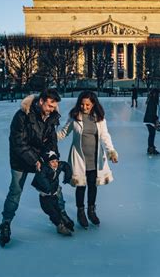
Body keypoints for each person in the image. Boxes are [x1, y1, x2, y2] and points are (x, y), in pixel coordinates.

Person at [0, 89, 74, 247]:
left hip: (41, 158)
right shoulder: (22, 115)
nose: (53, 109)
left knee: (54, 187)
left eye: (55, 106)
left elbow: (52, 140)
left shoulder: (52, 117)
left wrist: (53, 158)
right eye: (50, 105)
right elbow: (18, 142)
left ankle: (61, 214)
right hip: (20, 160)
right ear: (41, 101)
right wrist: (34, 160)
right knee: (15, 191)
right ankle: (5, 223)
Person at [57, 90, 118, 229]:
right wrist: (49, 137)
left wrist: (111, 151)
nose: (84, 107)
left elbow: (105, 136)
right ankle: (80, 212)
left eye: (88, 105)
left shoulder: (99, 118)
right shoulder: (75, 117)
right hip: (79, 158)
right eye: (82, 104)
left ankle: (91, 211)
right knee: (80, 186)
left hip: (95, 159)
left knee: (92, 186)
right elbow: (63, 133)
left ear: (93, 104)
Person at [31, 151, 73, 236]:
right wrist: (48, 189)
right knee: (52, 212)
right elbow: (42, 179)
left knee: (58, 208)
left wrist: (68, 176)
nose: (55, 164)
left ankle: (64, 220)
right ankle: (59, 226)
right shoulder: (43, 169)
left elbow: (66, 165)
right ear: (48, 163)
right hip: (45, 197)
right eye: (52, 162)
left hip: (54, 194)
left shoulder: (59, 166)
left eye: (56, 161)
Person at [143, 88, 160, 155]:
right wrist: (156, 121)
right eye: (157, 94)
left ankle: (150, 148)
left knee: (151, 134)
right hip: (150, 120)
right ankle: (151, 149)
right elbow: (152, 112)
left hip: (149, 120)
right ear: (155, 94)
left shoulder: (151, 100)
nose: (158, 96)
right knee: (152, 135)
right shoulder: (152, 101)